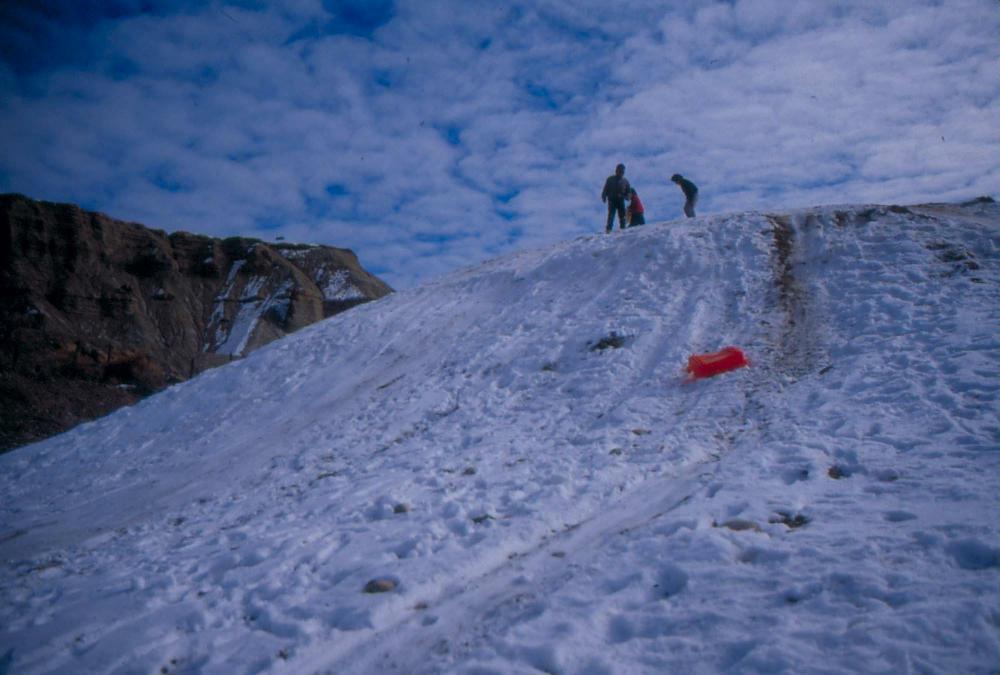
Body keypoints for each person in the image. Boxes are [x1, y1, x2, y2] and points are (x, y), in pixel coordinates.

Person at [601, 163, 631, 232]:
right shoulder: (610, 179)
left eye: (622, 171)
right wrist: (604, 196)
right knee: (611, 215)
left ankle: (623, 229)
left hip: (621, 200)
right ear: (616, 170)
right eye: (619, 170)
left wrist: (626, 197)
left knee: (622, 216)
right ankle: (608, 229)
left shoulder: (625, 181)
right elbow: (605, 189)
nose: (621, 172)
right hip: (612, 200)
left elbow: (629, 192)